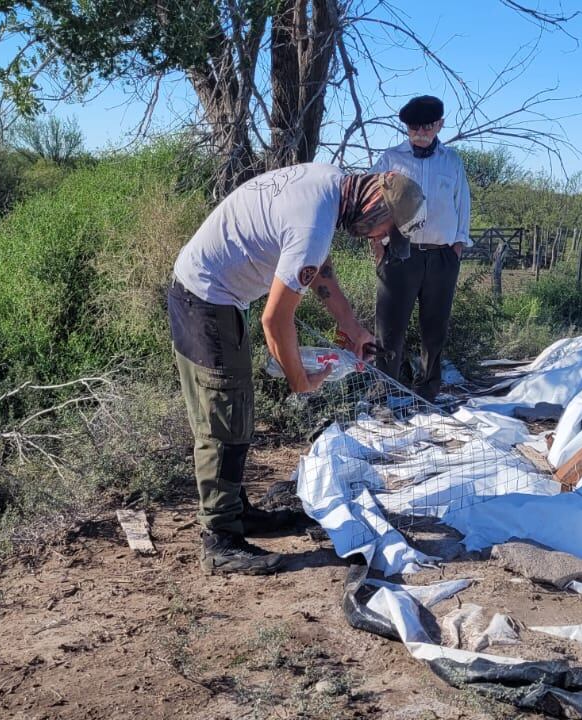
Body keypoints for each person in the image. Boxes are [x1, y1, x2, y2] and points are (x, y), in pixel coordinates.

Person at [170, 163, 424, 575]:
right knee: (224, 415)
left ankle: (237, 512)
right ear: (374, 207)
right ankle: (219, 539)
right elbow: (275, 320)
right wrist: (300, 381)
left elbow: (319, 270)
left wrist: (350, 326)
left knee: (236, 409)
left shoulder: (329, 186)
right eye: (385, 231)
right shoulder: (315, 226)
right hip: (204, 297)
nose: (378, 240)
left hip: (217, 296)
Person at [368, 95, 473, 402]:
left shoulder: (451, 161)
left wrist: (456, 248)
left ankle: (427, 391)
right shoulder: (390, 160)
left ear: (439, 124)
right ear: (406, 128)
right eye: (414, 127)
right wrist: (378, 244)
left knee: (434, 327)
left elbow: (462, 204)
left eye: (427, 126)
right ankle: (384, 390)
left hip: (442, 255)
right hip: (400, 253)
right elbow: (371, 203)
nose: (421, 133)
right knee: (389, 327)